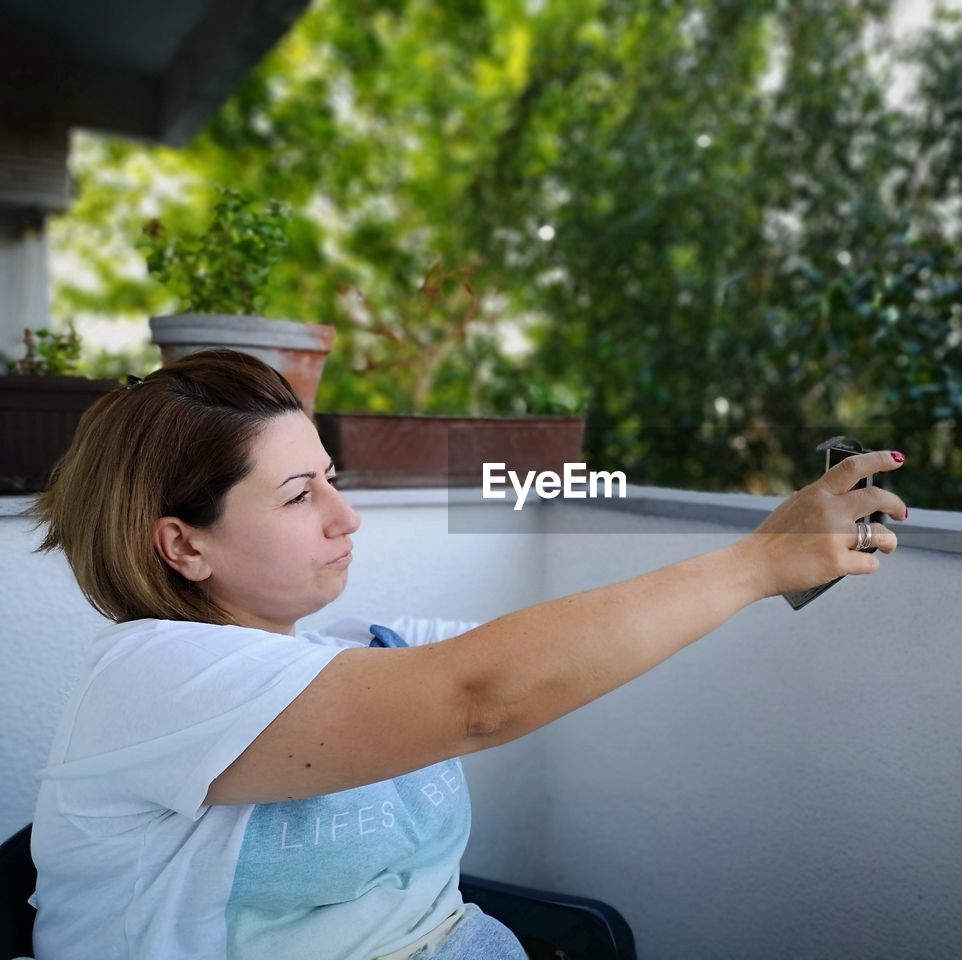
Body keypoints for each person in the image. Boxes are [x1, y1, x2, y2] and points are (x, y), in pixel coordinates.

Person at [22, 348, 908, 960]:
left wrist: (771, 542)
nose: (346, 516)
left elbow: (553, 647)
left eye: (334, 476)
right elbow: (482, 696)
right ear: (183, 546)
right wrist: (755, 565)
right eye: (299, 495)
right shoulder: (145, 677)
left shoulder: (364, 652)